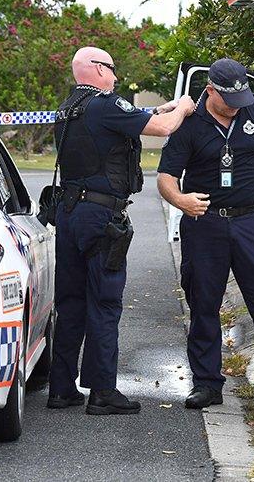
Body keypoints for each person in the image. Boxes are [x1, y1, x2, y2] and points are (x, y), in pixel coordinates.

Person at [48, 46, 195, 414]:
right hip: (101, 218)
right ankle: (102, 392)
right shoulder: (104, 103)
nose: (115, 77)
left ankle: (62, 389)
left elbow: (138, 118)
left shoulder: (70, 108)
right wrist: (182, 108)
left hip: (69, 214)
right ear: (97, 69)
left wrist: (159, 108)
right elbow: (161, 129)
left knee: (71, 304)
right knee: (104, 302)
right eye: (112, 70)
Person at [157, 58, 254, 408]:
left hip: (252, 221)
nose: (237, 107)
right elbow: (166, 178)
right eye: (229, 100)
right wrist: (181, 201)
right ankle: (207, 384)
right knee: (203, 302)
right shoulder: (189, 123)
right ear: (210, 90)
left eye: (241, 98)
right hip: (205, 224)